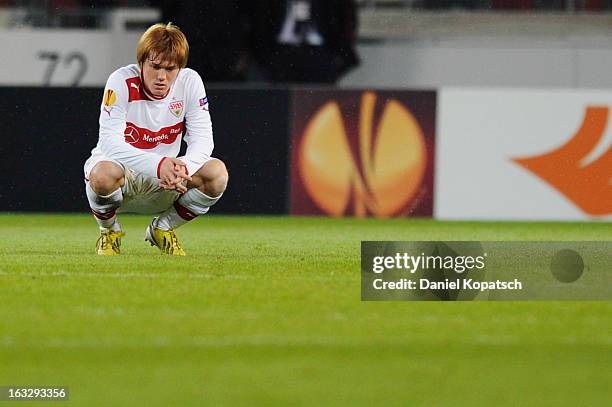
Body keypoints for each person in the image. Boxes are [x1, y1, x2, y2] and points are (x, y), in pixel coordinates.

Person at [83, 22, 228, 256]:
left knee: (217, 174)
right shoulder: (121, 81)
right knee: (102, 175)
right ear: (141, 62)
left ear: (180, 68)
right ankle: (109, 231)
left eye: (170, 69)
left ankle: (163, 228)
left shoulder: (190, 82)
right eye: (155, 66)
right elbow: (109, 143)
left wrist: (183, 169)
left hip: (167, 180)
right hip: (124, 176)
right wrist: (158, 165)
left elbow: (203, 140)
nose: (162, 77)